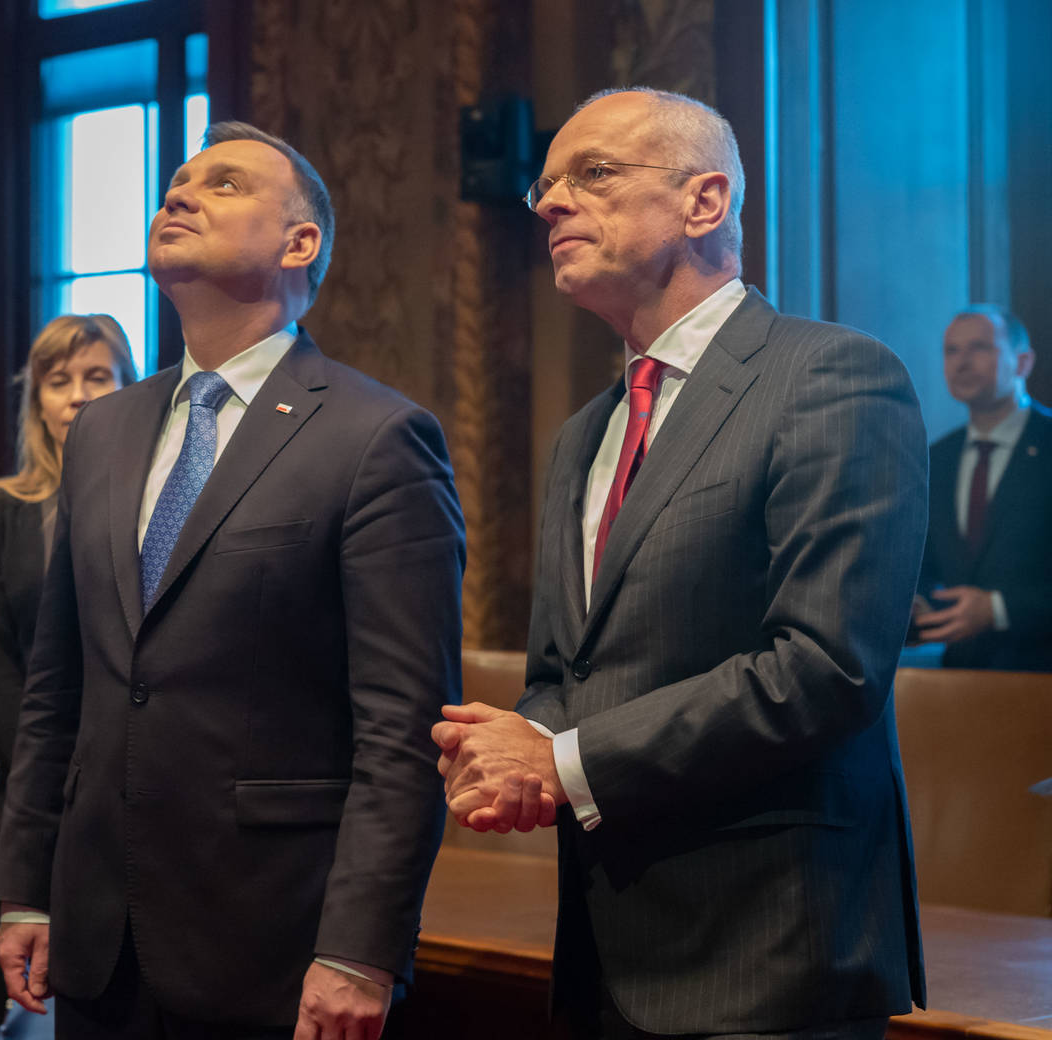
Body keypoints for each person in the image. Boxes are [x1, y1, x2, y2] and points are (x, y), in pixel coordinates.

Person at [435, 88, 926, 1039]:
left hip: (769, 957)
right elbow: (565, 677)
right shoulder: (589, 432)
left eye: (594, 174)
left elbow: (827, 669)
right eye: (547, 181)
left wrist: (561, 759)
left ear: (704, 203)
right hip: (605, 954)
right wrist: (513, 751)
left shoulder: (832, 375)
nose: (546, 203)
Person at [0, 121, 465, 1039]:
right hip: (94, 947)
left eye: (224, 183)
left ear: (300, 243)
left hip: (275, 949)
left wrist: (361, 948)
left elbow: (401, 735)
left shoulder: (376, 438)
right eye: (176, 183)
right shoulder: (104, 430)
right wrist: (25, 891)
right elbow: (60, 693)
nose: (180, 194)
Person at [0, 314, 138, 1036]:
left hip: (135, 808)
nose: (75, 396)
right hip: (30, 808)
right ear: (36, 402)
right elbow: (5, 686)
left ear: (130, 388)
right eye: (57, 382)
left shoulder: (159, 511)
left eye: (97, 377)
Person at [913, 306, 1052, 671]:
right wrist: (921, 601)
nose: (961, 362)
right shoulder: (936, 458)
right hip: (963, 681)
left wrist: (997, 610)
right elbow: (925, 562)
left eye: (979, 347)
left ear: (1022, 362)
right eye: (951, 351)